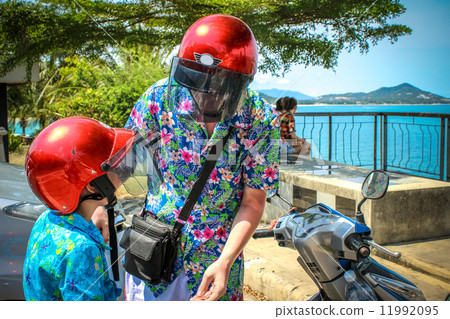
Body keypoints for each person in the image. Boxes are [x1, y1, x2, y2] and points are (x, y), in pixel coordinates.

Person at [120, 14, 280, 301]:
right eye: (195, 82)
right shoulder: (158, 99)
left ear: (241, 83)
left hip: (215, 264)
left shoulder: (260, 119)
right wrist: (94, 204)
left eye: (219, 88)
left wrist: (226, 262)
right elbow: (124, 159)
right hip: (153, 250)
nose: (204, 96)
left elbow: (253, 202)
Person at [23, 116, 156, 301]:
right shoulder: (82, 249)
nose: (123, 170)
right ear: (93, 186)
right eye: (114, 166)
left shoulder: (46, 220)